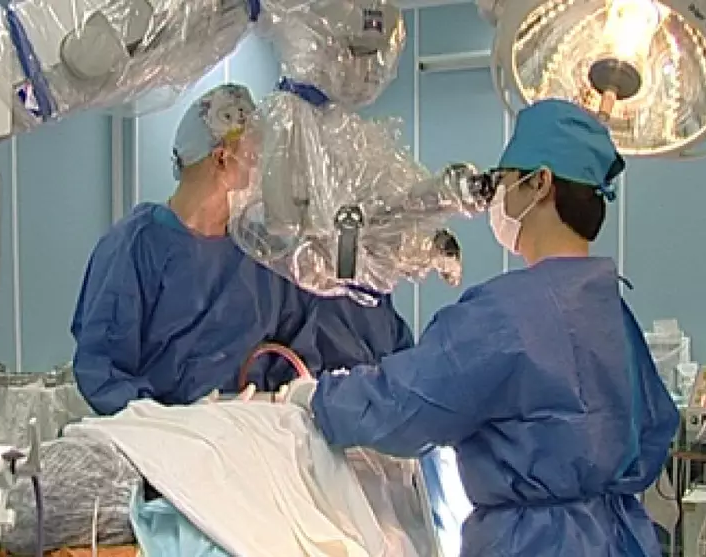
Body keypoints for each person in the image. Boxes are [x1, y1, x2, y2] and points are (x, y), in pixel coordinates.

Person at [283, 99, 680, 556]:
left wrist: (319, 398)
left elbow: (407, 403)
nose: (496, 197)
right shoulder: (611, 310)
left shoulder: (508, 314)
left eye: (505, 180)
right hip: (621, 539)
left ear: (540, 183)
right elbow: (656, 426)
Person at [71, 83, 414, 415]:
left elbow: (309, 344)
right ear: (222, 159)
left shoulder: (262, 251)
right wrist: (168, 424)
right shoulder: (136, 246)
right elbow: (103, 370)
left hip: (247, 429)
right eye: (255, 159)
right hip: (161, 439)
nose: (262, 175)